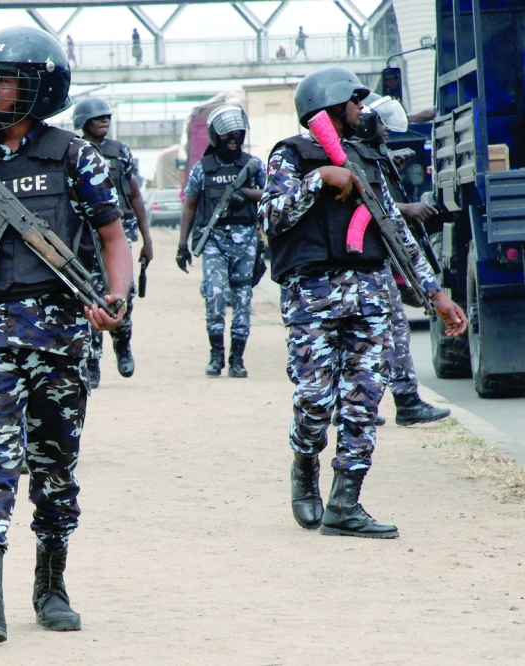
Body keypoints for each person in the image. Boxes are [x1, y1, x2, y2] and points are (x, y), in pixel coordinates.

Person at [0, 26, 131, 644]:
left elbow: (114, 237)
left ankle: (52, 581)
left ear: (40, 86)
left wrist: (114, 297)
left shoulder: (74, 156)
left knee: (55, 464)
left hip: (62, 331)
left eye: (1, 78)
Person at [260, 66, 466, 539]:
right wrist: (320, 180)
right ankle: (305, 464)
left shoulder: (367, 159)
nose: (362, 109)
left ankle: (345, 502)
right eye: (354, 102)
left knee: (363, 400)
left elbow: (395, 231)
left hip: (371, 297)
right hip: (313, 300)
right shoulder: (291, 155)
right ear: (331, 106)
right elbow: (271, 215)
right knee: (314, 400)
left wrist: (435, 295)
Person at [359, 94, 458, 426]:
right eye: (383, 126)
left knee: (391, 329)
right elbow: (370, 205)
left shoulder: (372, 155)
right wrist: (409, 209)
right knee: (370, 334)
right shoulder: (350, 156)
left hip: (376, 259)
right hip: (359, 263)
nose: (388, 132)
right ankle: (368, 405)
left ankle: (396, 401)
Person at [176, 105, 266, 378]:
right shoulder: (203, 169)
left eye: (237, 134)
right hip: (214, 240)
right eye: (227, 135)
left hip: (247, 239)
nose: (233, 139)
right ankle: (216, 356)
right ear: (216, 136)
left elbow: (272, 194)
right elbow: (190, 205)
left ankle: (237, 359)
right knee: (215, 295)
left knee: (242, 300)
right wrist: (182, 246)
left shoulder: (254, 165)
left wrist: (248, 194)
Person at [73, 97, 153, 383]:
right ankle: (93, 363)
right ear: (83, 122)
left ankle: (123, 344)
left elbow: (135, 196)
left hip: (120, 234)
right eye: (97, 117)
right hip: (86, 238)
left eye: (107, 116)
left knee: (124, 296)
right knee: (92, 297)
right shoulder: (74, 151)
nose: (104, 120)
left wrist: (147, 239)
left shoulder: (120, 152)